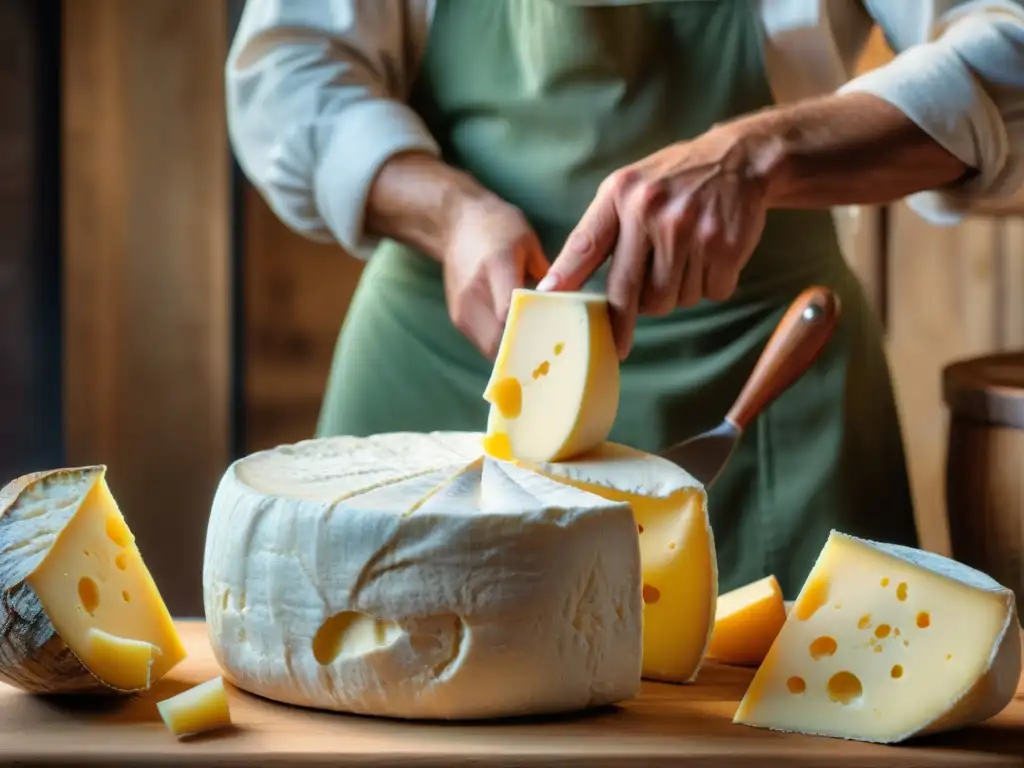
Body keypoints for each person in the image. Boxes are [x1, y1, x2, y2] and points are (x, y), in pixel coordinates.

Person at [225, 0, 1024, 598]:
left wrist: (759, 154)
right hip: (444, 371)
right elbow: (287, 73)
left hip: (764, 388)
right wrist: (448, 211)